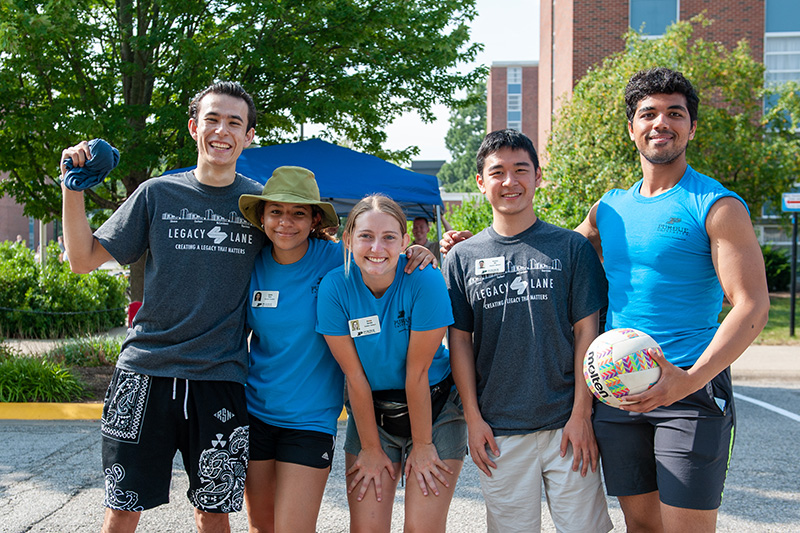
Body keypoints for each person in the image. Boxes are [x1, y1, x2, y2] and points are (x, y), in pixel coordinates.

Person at [60, 81, 266, 533]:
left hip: (219, 377)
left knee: (214, 512)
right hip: (144, 372)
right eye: (212, 119)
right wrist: (71, 187)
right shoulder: (157, 194)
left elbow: (319, 254)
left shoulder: (261, 205)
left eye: (235, 122)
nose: (222, 130)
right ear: (194, 128)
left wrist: (418, 254)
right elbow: (81, 260)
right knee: (122, 507)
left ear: (249, 136)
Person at [574, 67, 769, 533]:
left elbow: (751, 305)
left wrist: (691, 381)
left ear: (691, 127)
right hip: (620, 391)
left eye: (674, 113)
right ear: (632, 128)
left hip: (690, 388)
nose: (661, 122)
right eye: (648, 113)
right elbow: (551, 258)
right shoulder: (609, 208)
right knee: (641, 527)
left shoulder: (717, 206)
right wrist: (469, 244)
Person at [238, 168, 437, 533]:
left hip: (310, 420)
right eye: (276, 212)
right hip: (255, 413)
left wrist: (416, 252)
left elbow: (378, 252)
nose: (285, 222)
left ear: (315, 219)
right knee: (261, 527)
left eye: (298, 213)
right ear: (262, 217)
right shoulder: (250, 265)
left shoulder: (336, 260)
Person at [441, 129, 612, 533]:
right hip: (499, 429)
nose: (510, 182)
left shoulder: (571, 248)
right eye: (497, 172)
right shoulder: (462, 258)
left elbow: (587, 333)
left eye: (521, 170)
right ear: (481, 183)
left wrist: (581, 414)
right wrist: (473, 418)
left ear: (538, 176)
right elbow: (459, 342)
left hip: (566, 426)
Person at [316, 194, 467, 533]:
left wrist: (424, 445)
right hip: (374, 415)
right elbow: (353, 376)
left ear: (404, 242)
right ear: (348, 239)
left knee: (421, 528)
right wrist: (369, 448)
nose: (377, 248)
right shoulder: (334, 289)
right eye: (366, 236)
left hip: (436, 409)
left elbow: (418, 372)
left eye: (389, 237)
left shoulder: (424, 280)